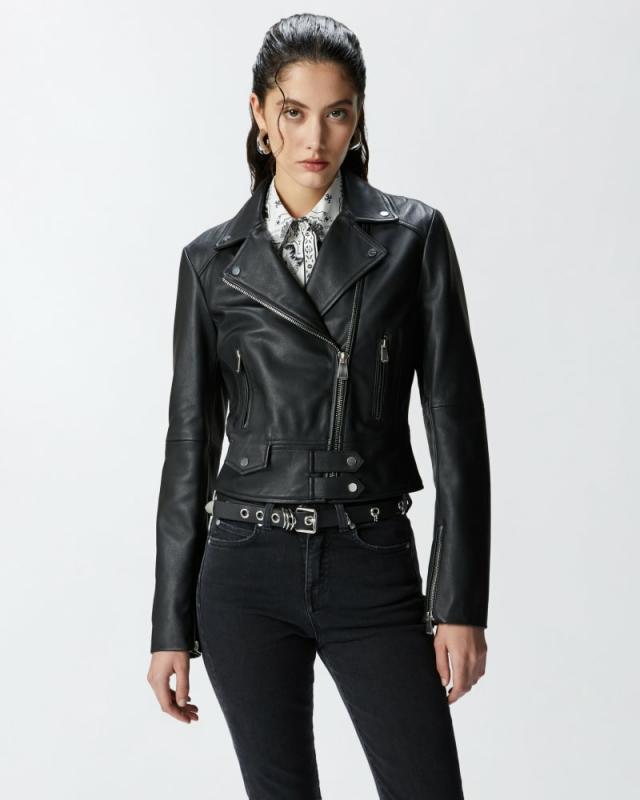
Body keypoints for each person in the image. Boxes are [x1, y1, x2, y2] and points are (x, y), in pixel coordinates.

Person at [147, 12, 490, 800]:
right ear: (259, 113)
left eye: (337, 112)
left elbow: (456, 428)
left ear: (358, 116)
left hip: (370, 557)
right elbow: (189, 445)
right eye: (294, 111)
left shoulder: (411, 238)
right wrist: (169, 625)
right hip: (243, 567)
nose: (315, 137)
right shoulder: (210, 261)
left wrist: (459, 603)